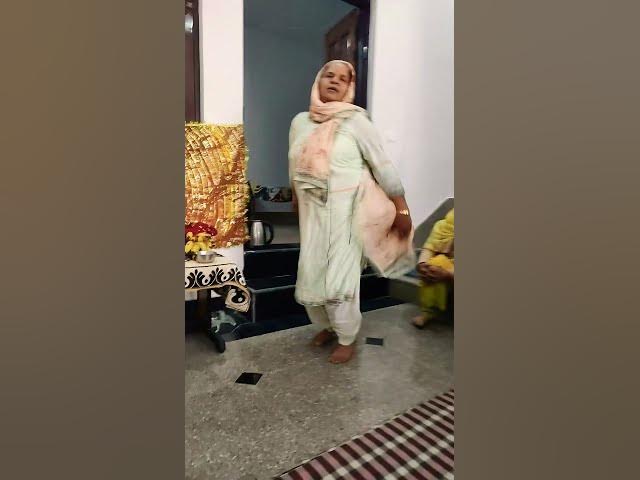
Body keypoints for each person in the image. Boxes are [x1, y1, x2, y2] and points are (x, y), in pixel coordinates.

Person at [288, 60, 413, 364]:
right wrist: (294, 195)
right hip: (312, 214)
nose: (334, 81)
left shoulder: (357, 122)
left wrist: (401, 208)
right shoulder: (300, 122)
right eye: (328, 75)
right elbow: (294, 162)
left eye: (342, 79)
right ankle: (327, 327)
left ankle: (346, 337)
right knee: (310, 274)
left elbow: (382, 165)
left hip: (347, 213)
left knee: (340, 280)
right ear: (318, 81)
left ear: (348, 88)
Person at [412, 209, 454, 328]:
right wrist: (423, 265)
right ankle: (428, 311)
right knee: (435, 264)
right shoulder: (441, 226)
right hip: (445, 266)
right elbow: (429, 248)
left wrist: (448, 274)